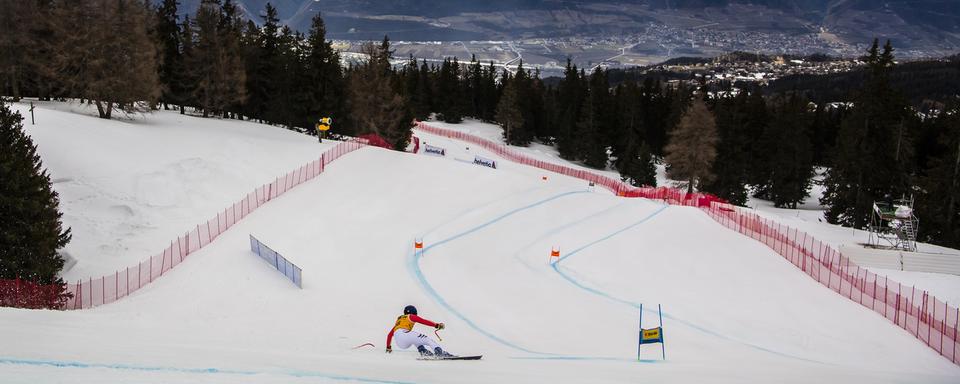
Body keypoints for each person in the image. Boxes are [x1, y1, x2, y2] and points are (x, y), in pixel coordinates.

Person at [386, 305, 451, 357]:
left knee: (415, 339)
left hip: (400, 343)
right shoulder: (411, 316)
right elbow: (423, 321)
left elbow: (389, 335)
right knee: (427, 340)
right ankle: (440, 352)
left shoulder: (399, 322)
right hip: (404, 334)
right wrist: (437, 325)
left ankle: (423, 351)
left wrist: (388, 347)